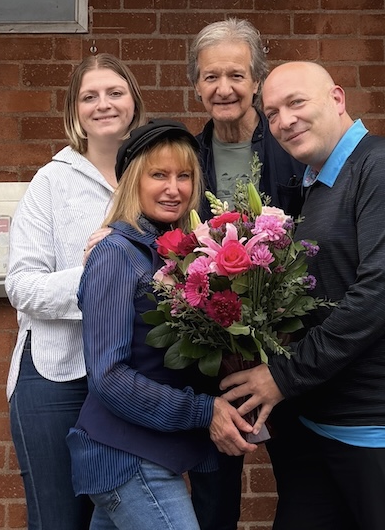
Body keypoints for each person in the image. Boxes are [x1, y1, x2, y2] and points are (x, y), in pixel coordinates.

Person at [187, 19, 385, 530]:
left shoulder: (349, 161)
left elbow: (376, 282)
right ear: (196, 86)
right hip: (306, 391)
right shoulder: (192, 157)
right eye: (211, 76)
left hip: (359, 400)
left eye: (238, 75)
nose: (224, 88)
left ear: (335, 99)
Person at [67, 120, 256, 530]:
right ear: (134, 180)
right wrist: (204, 411)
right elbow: (109, 377)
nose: (174, 188)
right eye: (159, 175)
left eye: (184, 176)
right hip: (126, 455)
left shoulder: (175, 257)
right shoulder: (116, 255)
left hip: (149, 451)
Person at [5, 54, 146, 530]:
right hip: (55, 376)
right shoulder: (50, 182)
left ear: (134, 102)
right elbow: (21, 285)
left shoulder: (155, 177)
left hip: (133, 372)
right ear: (75, 111)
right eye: (90, 96)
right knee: (59, 521)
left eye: (115, 92)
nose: (103, 104)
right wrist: (99, 277)